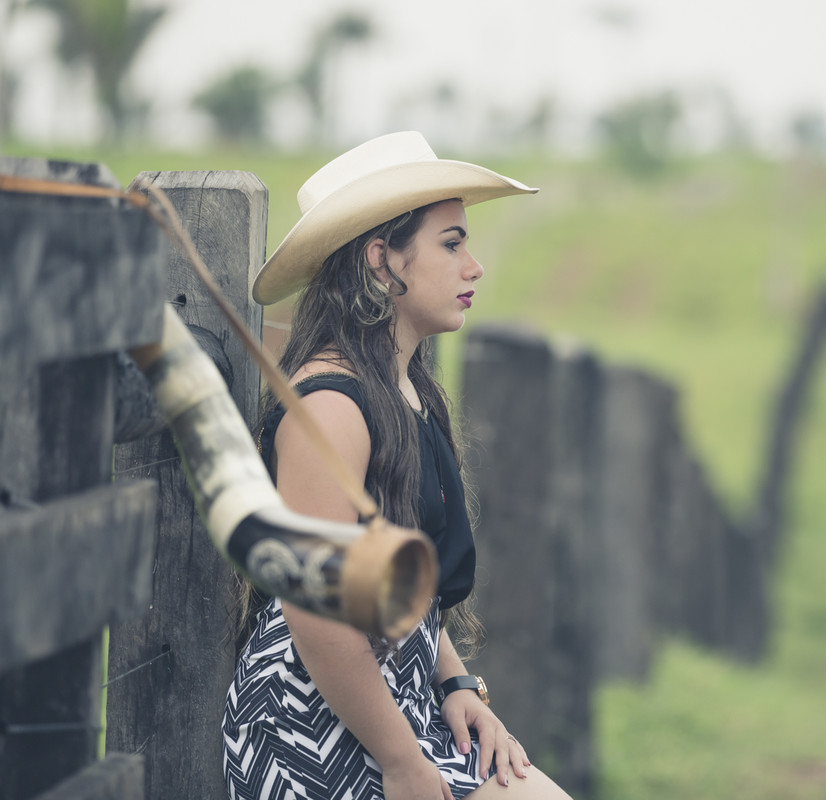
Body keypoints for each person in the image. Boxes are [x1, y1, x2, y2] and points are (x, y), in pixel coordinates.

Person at [222, 132, 570, 800]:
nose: (474, 268)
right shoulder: (331, 407)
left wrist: (455, 683)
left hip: (397, 703)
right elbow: (317, 614)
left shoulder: (404, 389)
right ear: (382, 260)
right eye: (452, 244)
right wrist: (402, 760)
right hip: (311, 719)